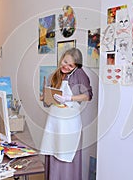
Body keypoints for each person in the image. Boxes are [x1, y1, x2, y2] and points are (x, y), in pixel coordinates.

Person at [40, 48, 93, 180]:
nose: (66, 67)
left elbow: (88, 95)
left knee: (66, 155)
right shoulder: (55, 74)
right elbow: (48, 102)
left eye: (71, 65)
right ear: (61, 58)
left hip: (69, 124)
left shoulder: (79, 74)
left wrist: (69, 98)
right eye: (65, 62)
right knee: (53, 151)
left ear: (76, 66)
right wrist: (45, 97)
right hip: (54, 122)